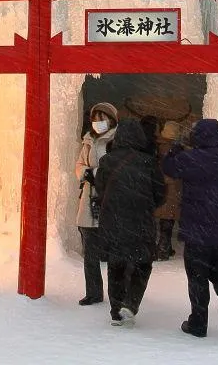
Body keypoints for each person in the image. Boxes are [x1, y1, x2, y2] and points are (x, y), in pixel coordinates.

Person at [163, 118, 218, 337]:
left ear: (196, 137)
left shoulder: (189, 159)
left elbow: (168, 168)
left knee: (197, 278)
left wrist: (176, 146)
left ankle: (198, 323)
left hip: (196, 233)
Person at [96, 118, 165, 326]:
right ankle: (131, 303)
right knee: (143, 263)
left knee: (116, 265)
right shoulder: (149, 162)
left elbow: (100, 189)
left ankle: (116, 310)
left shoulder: (107, 161)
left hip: (113, 220)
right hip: (141, 221)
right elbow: (160, 193)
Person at [74, 101, 118, 306]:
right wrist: (86, 173)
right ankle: (93, 292)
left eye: (102, 119)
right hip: (88, 199)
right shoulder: (88, 140)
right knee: (90, 251)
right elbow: (80, 163)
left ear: (111, 120)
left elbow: (117, 166)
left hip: (110, 198)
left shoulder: (117, 140)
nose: (98, 123)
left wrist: (98, 174)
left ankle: (117, 294)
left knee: (112, 252)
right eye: (95, 119)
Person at [153, 120, 183, 260]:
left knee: (163, 219)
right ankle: (163, 248)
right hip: (172, 187)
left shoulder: (158, 148)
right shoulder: (176, 150)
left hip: (160, 185)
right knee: (167, 221)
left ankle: (164, 247)